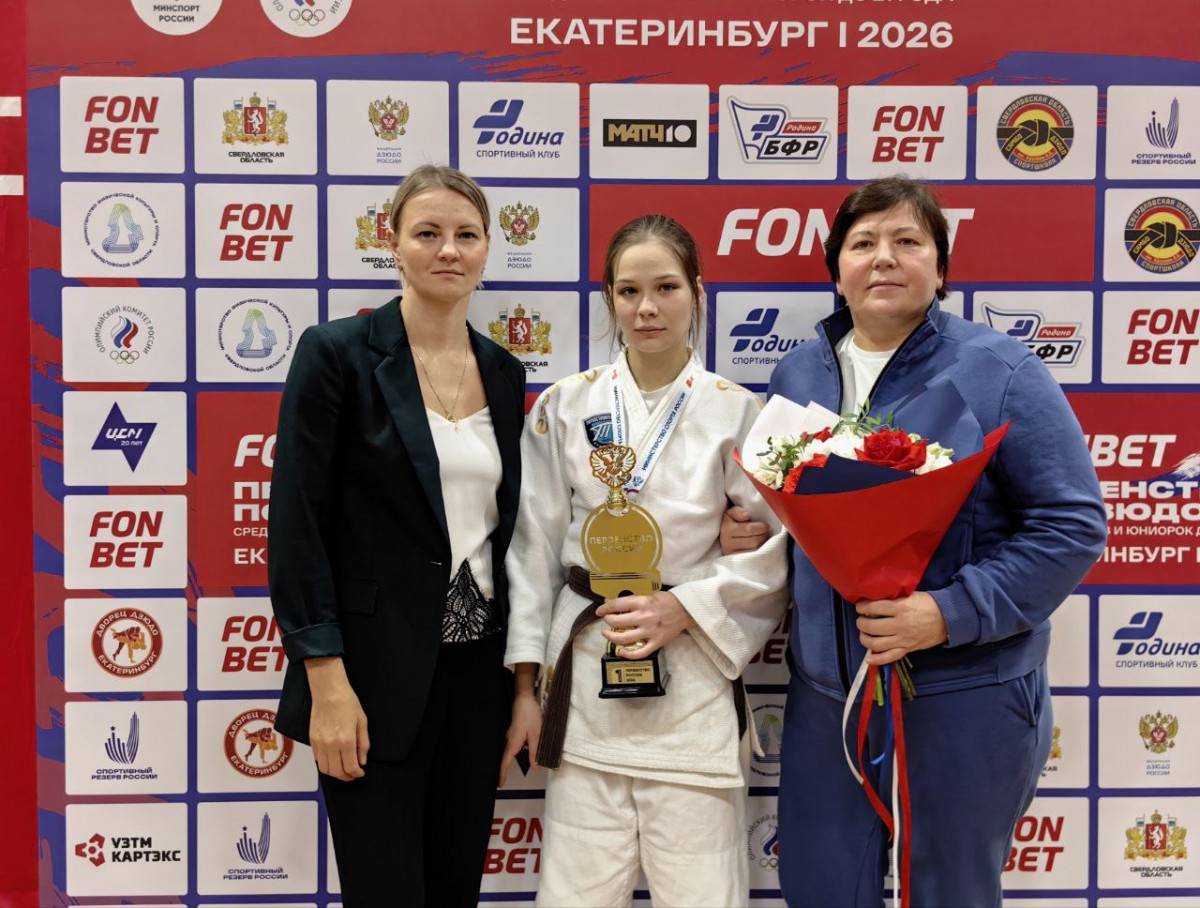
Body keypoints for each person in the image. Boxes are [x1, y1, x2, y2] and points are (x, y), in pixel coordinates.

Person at [767, 177, 1107, 907]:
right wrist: (757, 528)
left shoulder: (1000, 371)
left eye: (908, 241)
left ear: (942, 267)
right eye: (863, 243)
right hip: (828, 695)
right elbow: (796, 510)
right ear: (837, 269)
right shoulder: (797, 373)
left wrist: (947, 613)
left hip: (962, 693)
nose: (884, 258)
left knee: (951, 894)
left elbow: (1072, 524)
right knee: (822, 889)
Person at [501, 214, 789, 908]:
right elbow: (532, 549)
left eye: (666, 287)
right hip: (587, 681)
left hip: (691, 687)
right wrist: (524, 690)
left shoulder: (736, 412)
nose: (647, 308)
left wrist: (684, 607)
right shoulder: (566, 405)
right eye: (629, 291)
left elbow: (777, 548)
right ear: (609, 298)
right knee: (573, 898)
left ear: (697, 292)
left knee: (704, 898)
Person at [267, 165, 526, 906]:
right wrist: (326, 680)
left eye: (467, 235)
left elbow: (507, 534)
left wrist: (521, 684)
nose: (449, 250)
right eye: (428, 233)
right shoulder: (337, 353)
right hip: (368, 682)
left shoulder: (505, 372)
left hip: (477, 682)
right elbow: (296, 525)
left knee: (454, 893)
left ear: (486, 248)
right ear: (394, 245)